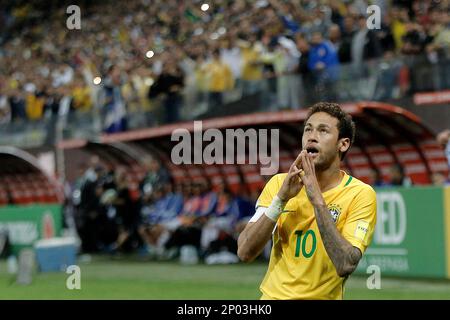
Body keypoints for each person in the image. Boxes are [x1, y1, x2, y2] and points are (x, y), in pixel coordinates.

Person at [237, 102, 377, 300]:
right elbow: (244, 252)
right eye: (308, 129)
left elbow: (346, 264)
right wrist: (280, 200)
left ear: (343, 144)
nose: (312, 136)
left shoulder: (360, 194)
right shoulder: (280, 184)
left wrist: (316, 198)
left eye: (323, 131)